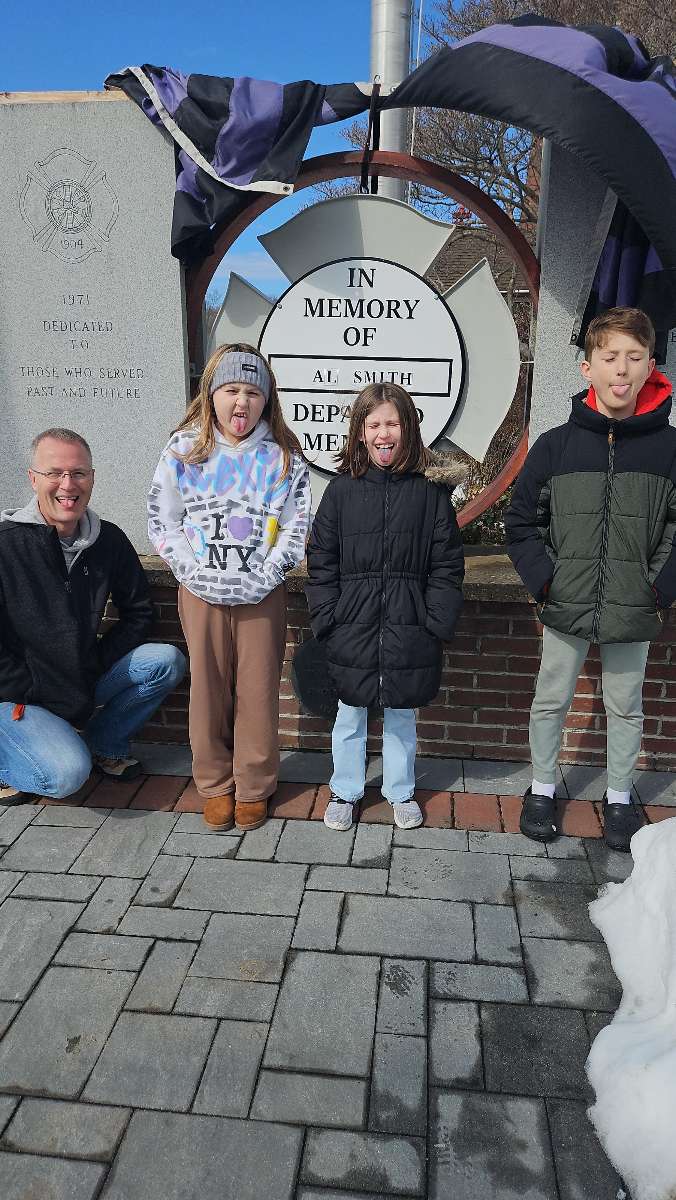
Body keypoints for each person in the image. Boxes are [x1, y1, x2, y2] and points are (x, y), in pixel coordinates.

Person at [506, 307, 676, 852]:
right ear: (587, 368)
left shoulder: (669, 449)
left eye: (633, 358)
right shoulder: (556, 446)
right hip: (566, 600)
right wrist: (547, 582)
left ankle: (621, 796)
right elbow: (522, 521)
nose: (620, 371)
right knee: (550, 697)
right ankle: (541, 788)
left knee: (625, 704)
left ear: (652, 365)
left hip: (634, 602)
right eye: (609, 358)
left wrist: (659, 587)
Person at [148, 343, 311, 833]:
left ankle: (255, 785)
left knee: (258, 689)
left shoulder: (283, 458)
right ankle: (215, 784)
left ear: (267, 399)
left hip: (261, 593)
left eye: (252, 392)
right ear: (211, 393)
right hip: (201, 592)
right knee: (208, 688)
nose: (241, 402)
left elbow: (297, 526)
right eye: (231, 390)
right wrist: (192, 573)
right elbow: (163, 521)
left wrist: (267, 575)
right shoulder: (183, 450)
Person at [306, 382, 465, 831]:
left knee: (401, 715)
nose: (383, 433)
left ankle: (400, 790)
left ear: (409, 428)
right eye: (373, 424)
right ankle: (346, 789)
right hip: (350, 625)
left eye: (392, 423)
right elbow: (322, 561)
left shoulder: (430, 494)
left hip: (409, 625)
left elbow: (447, 564)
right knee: (349, 715)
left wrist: (435, 623)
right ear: (359, 432)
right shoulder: (341, 491)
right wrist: (328, 619)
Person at [0, 428, 185, 805]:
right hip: (22, 695)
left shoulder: (109, 540)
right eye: (55, 473)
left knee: (165, 661)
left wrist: (95, 660)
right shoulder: (6, 545)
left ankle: (106, 744)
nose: (68, 485)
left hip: (81, 677)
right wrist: (28, 685)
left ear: (92, 478)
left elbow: (138, 612)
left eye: (79, 473)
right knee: (66, 776)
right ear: (33, 479)